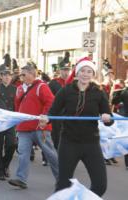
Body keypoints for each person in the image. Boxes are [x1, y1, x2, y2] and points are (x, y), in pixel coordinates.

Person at [39, 57, 113, 197]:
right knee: (63, 186)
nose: (85, 74)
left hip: (91, 143)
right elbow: (53, 112)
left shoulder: (98, 92)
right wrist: (46, 118)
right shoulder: (66, 91)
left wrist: (106, 118)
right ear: (77, 73)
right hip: (69, 143)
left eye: (89, 71)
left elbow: (108, 119)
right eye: (82, 71)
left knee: (100, 185)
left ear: (93, 74)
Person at [8, 62, 58, 189]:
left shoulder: (41, 86)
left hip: (39, 128)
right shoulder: (19, 88)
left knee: (50, 153)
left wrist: (45, 117)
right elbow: (17, 106)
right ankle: (21, 179)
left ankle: (62, 178)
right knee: (23, 153)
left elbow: (51, 102)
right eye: (21, 75)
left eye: (24, 74)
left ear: (32, 74)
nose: (21, 77)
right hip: (24, 128)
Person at [0, 66, 17, 180]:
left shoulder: (15, 89)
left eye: (9, 75)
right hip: (0, 121)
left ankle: (5, 165)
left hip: (11, 120)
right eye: (5, 75)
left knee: (12, 144)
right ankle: (0, 169)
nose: (7, 77)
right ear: (0, 76)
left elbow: (17, 105)